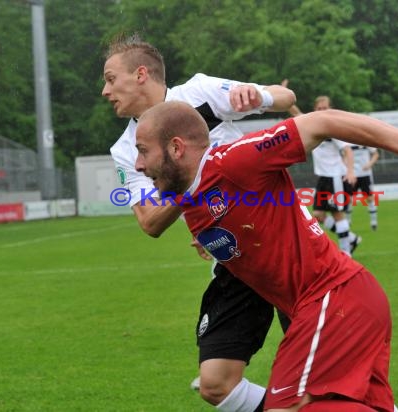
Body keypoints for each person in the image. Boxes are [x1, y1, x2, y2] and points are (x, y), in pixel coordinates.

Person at [134, 101, 398, 411]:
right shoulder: (190, 201)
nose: (137, 164)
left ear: (176, 148)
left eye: (143, 151)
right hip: (339, 304)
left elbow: (322, 121)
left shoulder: (235, 161)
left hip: (334, 298)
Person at [102, 33, 296, 411]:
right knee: (216, 386)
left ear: (141, 74)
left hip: (283, 242)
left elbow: (286, 99)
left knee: (326, 373)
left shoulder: (200, 92)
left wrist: (259, 96)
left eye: (111, 79)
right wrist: (195, 188)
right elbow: (149, 220)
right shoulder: (126, 150)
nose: (105, 91)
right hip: (233, 259)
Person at [281, 87, 360, 256]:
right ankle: (351, 239)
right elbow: (295, 111)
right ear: (314, 110)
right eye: (319, 109)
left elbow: (347, 150)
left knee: (337, 213)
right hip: (324, 178)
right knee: (317, 215)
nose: (322, 111)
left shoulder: (333, 129)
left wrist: (351, 171)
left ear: (330, 109)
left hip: (335, 177)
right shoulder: (313, 126)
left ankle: (346, 253)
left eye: (325, 108)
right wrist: (283, 92)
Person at [347, 145, 380, 230]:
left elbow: (376, 154)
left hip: (365, 174)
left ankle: (374, 222)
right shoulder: (346, 141)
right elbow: (342, 154)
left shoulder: (364, 140)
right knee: (349, 199)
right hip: (352, 175)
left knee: (369, 198)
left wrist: (370, 164)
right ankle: (347, 222)